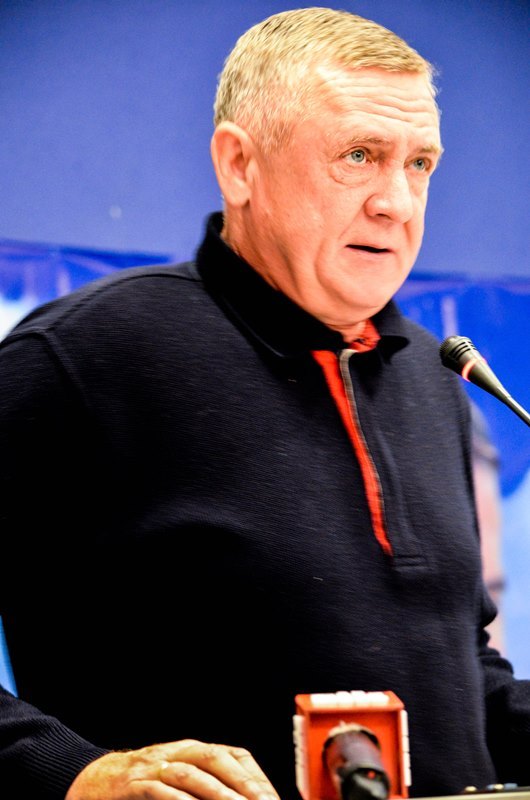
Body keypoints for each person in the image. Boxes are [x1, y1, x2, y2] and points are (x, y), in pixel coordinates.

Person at [0, 7, 529, 799]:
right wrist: (75, 773)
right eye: (360, 155)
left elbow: (458, 675)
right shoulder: (80, 356)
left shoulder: (435, 376)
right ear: (240, 165)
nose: (398, 201)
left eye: (420, 163)